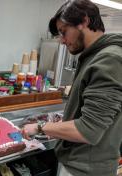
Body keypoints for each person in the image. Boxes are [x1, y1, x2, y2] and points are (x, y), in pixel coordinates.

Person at [22, 0, 122, 176]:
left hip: (85, 170)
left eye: (63, 32)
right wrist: (62, 124)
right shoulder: (94, 56)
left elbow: (89, 130)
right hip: (78, 164)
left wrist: (40, 127)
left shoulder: (109, 60)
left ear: (84, 21)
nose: (62, 41)